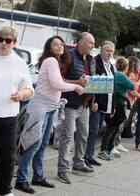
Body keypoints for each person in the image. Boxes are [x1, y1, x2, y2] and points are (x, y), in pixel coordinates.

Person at [15, 36, 84, 194]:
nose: (59, 46)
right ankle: (21, 179)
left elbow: (57, 84)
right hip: (40, 106)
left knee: (43, 143)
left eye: (61, 44)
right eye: (55, 44)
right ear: (49, 47)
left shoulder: (56, 62)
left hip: (50, 107)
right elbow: (56, 84)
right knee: (33, 144)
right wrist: (75, 87)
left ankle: (38, 176)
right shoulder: (51, 61)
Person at [0, 26, 34, 196]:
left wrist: (21, 94)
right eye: (0, 39)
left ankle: (5, 192)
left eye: (8, 40)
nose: (4, 43)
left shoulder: (19, 63)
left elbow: (29, 89)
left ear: (14, 43)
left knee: (7, 159)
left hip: (8, 119)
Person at [56, 32, 94, 184]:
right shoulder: (69, 56)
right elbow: (60, 80)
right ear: (81, 42)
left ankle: (78, 162)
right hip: (70, 103)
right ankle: (63, 170)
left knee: (84, 134)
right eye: (90, 43)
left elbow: (91, 80)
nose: (92, 46)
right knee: (68, 137)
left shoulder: (90, 60)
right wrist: (77, 82)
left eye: (93, 43)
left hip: (84, 104)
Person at [98, 57, 139, 160]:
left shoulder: (114, 74)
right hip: (119, 103)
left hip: (112, 102)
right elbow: (133, 87)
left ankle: (109, 148)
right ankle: (105, 149)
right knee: (113, 127)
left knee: (112, 127)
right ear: (126, 67)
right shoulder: (121, 76)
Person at [85, 41, 116, 166]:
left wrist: (112, 106)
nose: (109, 53)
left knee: (96, 130)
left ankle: (90, 155)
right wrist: (94, 101)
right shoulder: (95, 62)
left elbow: (112, 87)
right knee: (92, 130)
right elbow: (93, 83)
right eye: (107, 50)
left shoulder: (110, 66)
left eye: (111, 51)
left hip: (106, 104)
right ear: (101, 50)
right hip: (97, 103)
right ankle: (86, 156)